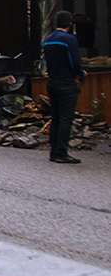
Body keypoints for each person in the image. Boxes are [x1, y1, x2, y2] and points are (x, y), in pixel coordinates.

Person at [42, 11, 86, 164]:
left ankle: (54, 151)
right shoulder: (69, 39)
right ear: (70, 24)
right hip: (66, 82)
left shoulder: (48, 39)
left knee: (55, 117)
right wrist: (80, 75)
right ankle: (61, 152)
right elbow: (74, 62)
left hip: (52, 82)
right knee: (66, 118)